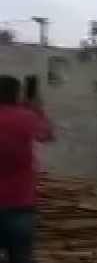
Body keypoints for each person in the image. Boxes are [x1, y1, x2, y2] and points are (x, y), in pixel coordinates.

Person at [0, 75, 54, 263]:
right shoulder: (26, 117)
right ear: (17, 95)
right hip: (18, 208)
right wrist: (36, 108)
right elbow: (48, 134)